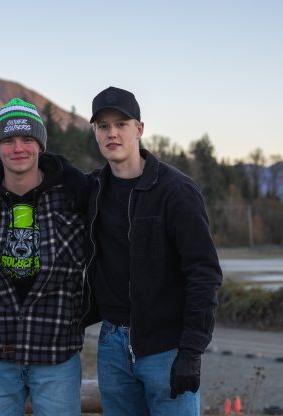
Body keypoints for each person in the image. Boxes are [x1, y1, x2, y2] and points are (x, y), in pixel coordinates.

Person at [80, 86, 223, 415]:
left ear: (139, 129)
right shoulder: (93, 189)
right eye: (103, 126)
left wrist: (191, 351)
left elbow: (204, 273)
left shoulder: (176, 191)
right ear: (95, 132)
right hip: (112, 346)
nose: (112, 133)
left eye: (121, 124)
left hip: (166, 348)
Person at [0, 98, 90, 415]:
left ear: (40, 145)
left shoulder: (73, 195)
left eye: (27, 139)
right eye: (8, 140)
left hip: (57, 354)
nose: (18, 148)